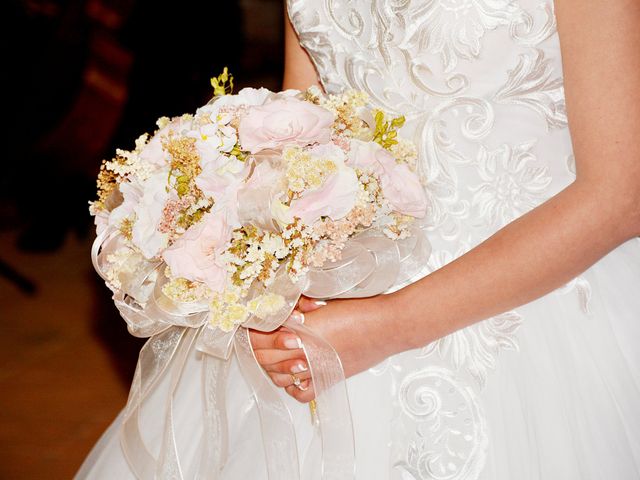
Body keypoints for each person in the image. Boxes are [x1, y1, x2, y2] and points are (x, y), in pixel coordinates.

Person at [77, 0, 640, 478]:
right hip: (349, 281)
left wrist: (392, 323)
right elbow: (311, 137)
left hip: (542, 297)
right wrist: (271, 289)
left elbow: (621, 194)